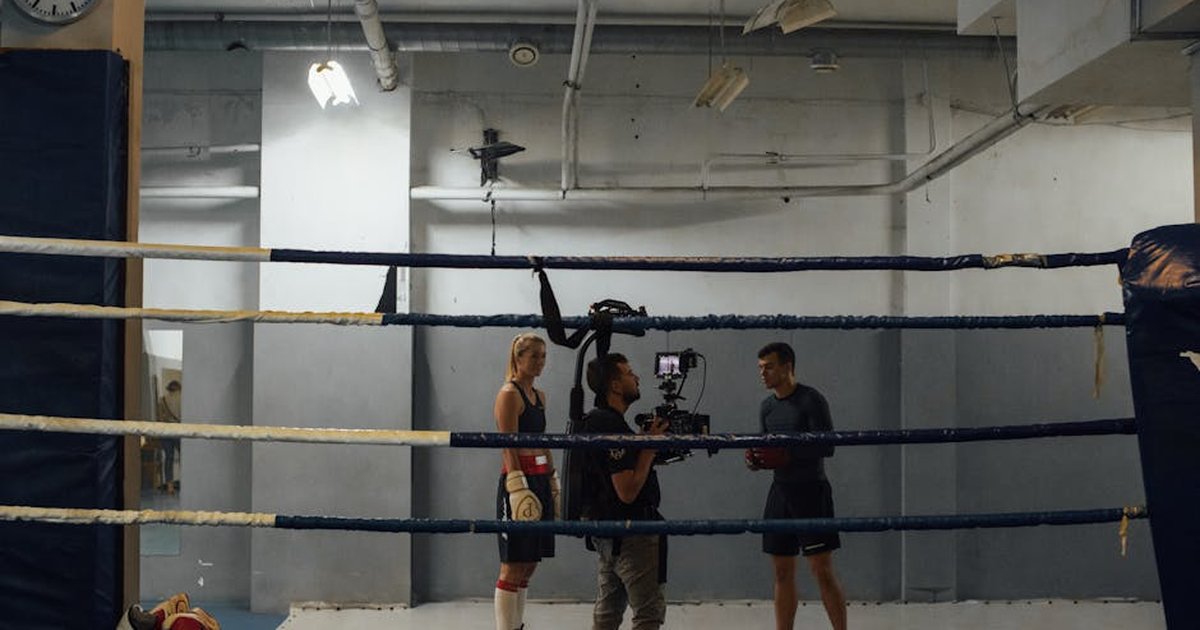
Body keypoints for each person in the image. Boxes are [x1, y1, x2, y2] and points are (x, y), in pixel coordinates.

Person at [745, 342, 847, 630]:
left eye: (769, 367)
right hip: (780, 492)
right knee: (781, 571)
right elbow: (766, 447)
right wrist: (756, 458)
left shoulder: (811, 400)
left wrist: (788, 454)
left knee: (821, 570)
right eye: (760, 368)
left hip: (811, 491)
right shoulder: (767, 407)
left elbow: (828, 447)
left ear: (787, 366)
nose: (763, 374)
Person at [578, 352, 668, 630]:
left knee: (607, 613)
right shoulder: (610, 425)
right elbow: (627, 491)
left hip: (608, 532)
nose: (636, 377)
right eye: (629, 373)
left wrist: (639, 445)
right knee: (648, 615)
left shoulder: (596, 420)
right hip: (632, 533)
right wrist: (649, 450)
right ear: (615, 385)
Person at [493, 333, 557, 630]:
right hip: (518, 483)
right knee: (513, 564)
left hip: (540, 480)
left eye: (543, 356)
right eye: (533, 356)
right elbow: (508, 445)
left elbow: (542, 442)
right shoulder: (509, 394)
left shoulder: (540, 397)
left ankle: (517, 625)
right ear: (518, 359)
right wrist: (518, 488)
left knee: (530, 563)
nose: (540, 362)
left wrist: (553, 480)